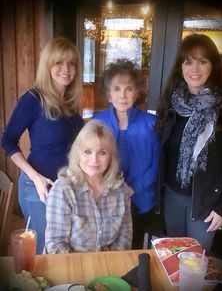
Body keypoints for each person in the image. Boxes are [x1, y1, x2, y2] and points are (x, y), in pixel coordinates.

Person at [1, 37, 84, 254]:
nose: (66, 69)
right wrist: (35, 178)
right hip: (39, 189)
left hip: (65, 188)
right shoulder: (33, 99)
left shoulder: (70, 104)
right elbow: (8, 141)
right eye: (59, 62)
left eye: (71, 63)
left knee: (62, 249)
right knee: (43, 253)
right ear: (47, 65)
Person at [155, 33, 222, 253]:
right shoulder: (171, 104)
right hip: (171, 197)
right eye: (188, 61)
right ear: (180, 66)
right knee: (173, 258)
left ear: (213, 66)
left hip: (207, 203)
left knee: (195, 263)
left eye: (202, 61)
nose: (195, 69)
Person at [93, 59, 160, 249]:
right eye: (116, 89)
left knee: (135, 248)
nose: (122, 95)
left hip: (140, 199)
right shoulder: (98, 122)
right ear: (108, 94)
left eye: (128, 89)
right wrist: (111, 186)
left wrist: (133, 188)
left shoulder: (152, 123)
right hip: (106, 198)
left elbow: (156, 165)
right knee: (106, 248)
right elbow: (91, 162)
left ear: (137, 92)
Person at [45, 120, 132, 253]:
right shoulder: (63, 189)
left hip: (107, 267)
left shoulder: (121, 190)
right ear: (77, 154)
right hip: (71, 266)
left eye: (102, 153)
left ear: (111, 157)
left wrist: (109, 267)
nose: (94, 160)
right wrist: (87, 268)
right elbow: (55, 244)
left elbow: (124, 239)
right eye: (87, 152)